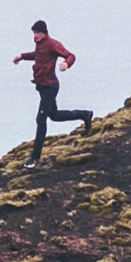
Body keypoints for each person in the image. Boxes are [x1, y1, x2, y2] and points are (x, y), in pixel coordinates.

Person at [17, 18, 93, 158]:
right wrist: (22, 56)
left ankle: (35, 156)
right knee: (54, 115)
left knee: (41, 119)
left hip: (51, 86)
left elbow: (71, 55)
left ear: (44, 33)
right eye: (34, 32)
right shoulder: (39, 45)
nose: (35, 36)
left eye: (38, 32)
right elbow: (37, 56)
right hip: (42, 87)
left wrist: (66, 63)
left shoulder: (53, 44)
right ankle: (85, 115)